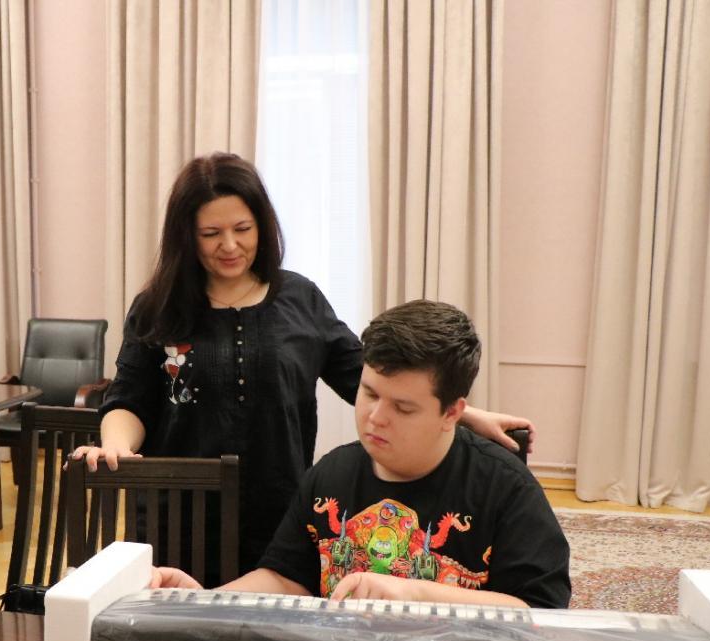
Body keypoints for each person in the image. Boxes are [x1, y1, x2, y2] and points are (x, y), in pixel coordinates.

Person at [76, 152, 535, 576]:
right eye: (211, 234)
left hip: (280, 510)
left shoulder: (300, 299)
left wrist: (465, 414)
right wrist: (115, 444)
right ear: (186, 236)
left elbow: (368, 378)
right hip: (178, 512)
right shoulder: (157, 307)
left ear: (263, 225)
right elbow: (129, 399)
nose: (230, 245)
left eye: (243, 228)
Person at [154, 299, 571, 608]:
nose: (375, 418)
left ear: (452, 413)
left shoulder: (505, 489)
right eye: (369, 393)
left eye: (403, 408)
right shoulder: (332, 474)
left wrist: (415, 593)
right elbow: (287, 579)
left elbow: (540, 611)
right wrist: (206, 602)